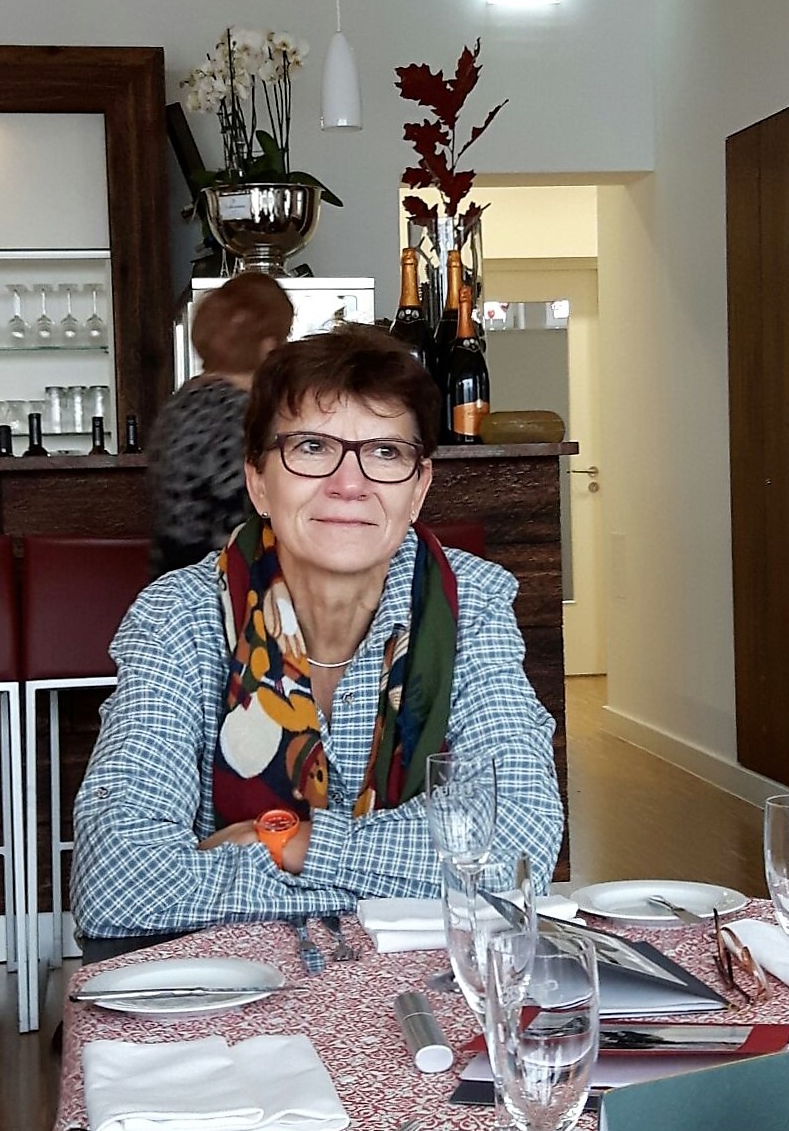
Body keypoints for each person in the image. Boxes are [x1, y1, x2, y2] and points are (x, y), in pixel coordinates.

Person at [70, 324, 563, 938]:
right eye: (310, 447)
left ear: (418, 489)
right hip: (230, 986)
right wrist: (413, 874)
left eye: (385, 452)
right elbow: (117, 882)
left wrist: (285, 841)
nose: (349, 484)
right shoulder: (181, 615)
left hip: (427, 980)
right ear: (258, 481)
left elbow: (518, 850)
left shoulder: (472, 605)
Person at [145, 271, 294, 576]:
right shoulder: (244, 415)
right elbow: (253, 521)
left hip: (172, 585)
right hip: (227, 588)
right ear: (269, 346)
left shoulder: (178, 405)